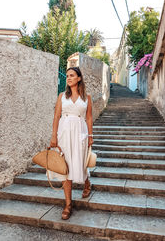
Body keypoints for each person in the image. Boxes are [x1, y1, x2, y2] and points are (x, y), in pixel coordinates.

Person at [49, 66, 94, 220]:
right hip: (64, 133)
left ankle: (86, 182)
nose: (68, 78)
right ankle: (68, 204)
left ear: (79, 78)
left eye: (72, 75)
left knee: (80, 164)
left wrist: (90, 135)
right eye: (67, 75)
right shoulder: (62, 96)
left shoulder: (87, 97)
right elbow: (56, 117)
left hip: (80, 132)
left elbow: (88, 117)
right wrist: (54, 136)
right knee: (65, 167)